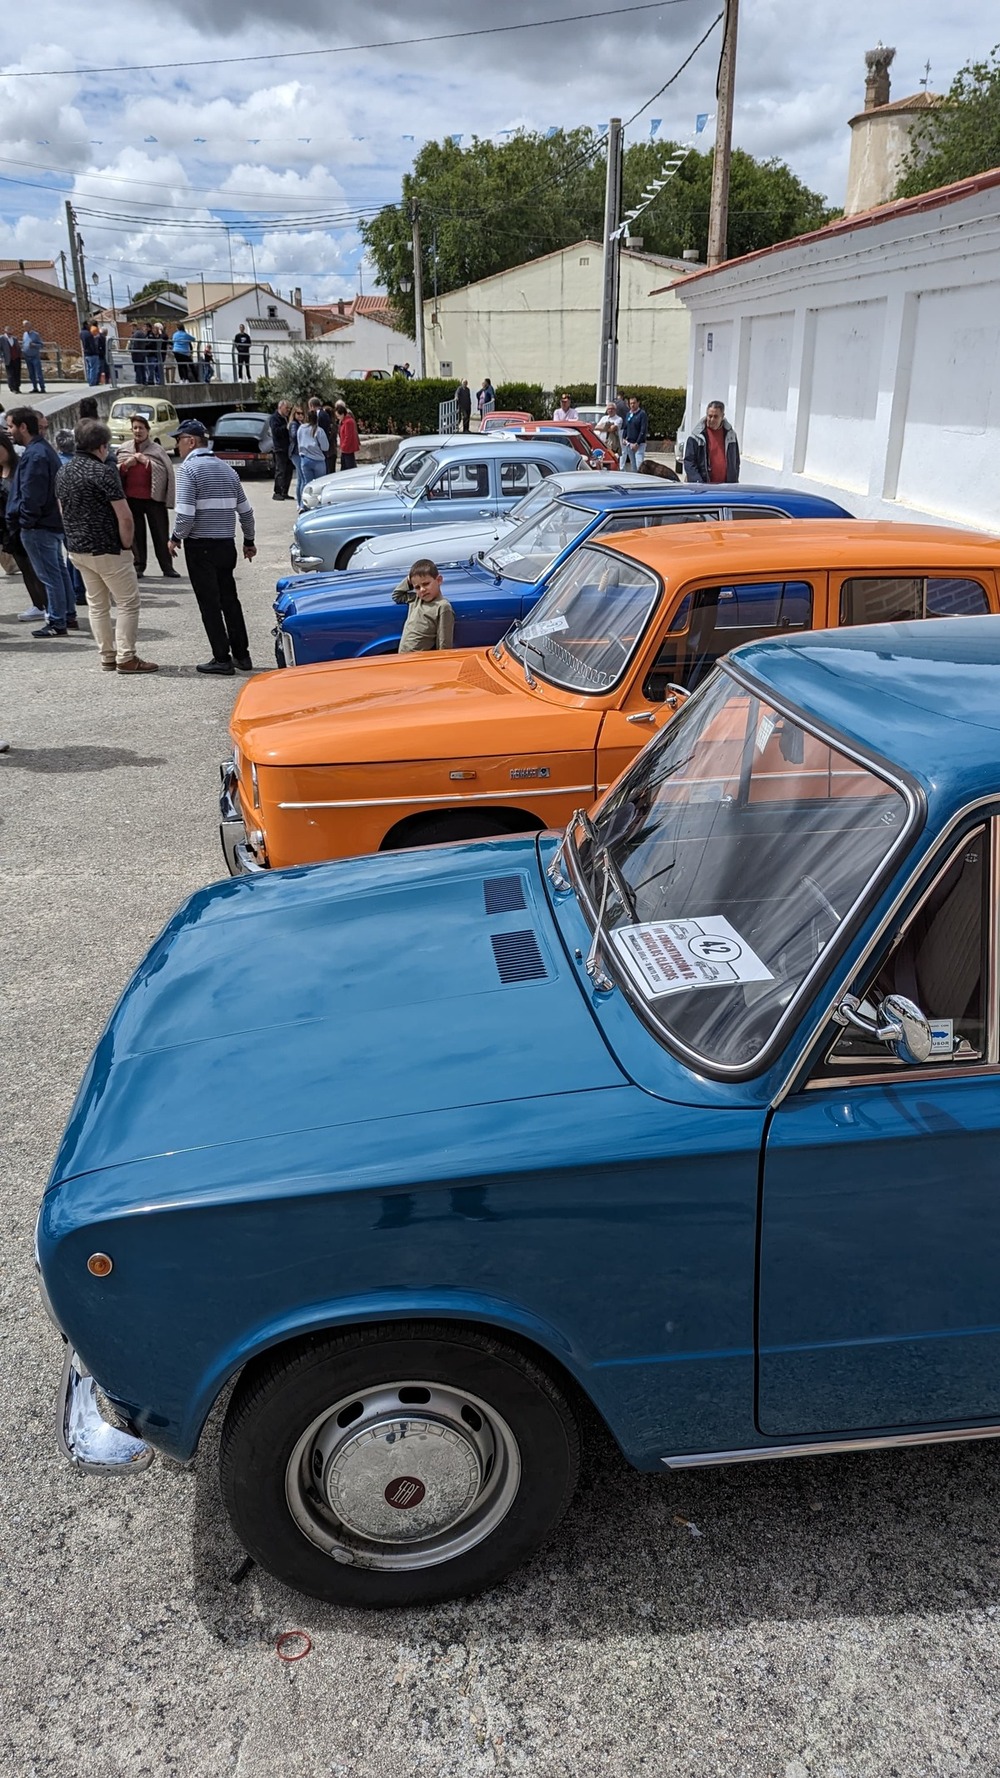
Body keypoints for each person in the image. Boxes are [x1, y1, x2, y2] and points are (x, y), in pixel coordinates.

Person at [56, 419, 158, 674]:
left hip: (78, 548)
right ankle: (126, 657)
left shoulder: (63, 471)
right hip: (107, 548)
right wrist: (126, 545)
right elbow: (124, 515)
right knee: (127, 603)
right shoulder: (103, 472)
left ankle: (107, 655)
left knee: (97, 604)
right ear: (102, 447)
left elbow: (62, 510)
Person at [168, 417, 256, 675]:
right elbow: (247, 513)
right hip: (226, 545)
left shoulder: (188, 470)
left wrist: (175, 538)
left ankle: (221, 658)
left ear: (191, 441)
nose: (177, 447)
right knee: (230, 601)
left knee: (209, 605)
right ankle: (242, 655)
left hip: (201, 547)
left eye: (179, 441)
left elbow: (185, 515)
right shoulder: (227, 470)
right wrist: (248, 541)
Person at [5, 406, 80, 636]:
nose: (9, 432)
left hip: (39, 526)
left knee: (49, 575)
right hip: (48, 523)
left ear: (23, 427)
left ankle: (57, 621)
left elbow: (31, 494)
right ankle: (67, 615)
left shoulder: (36, 455)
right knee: (58, 571)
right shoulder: (41, 450)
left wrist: (25, 521)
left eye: (11, 426)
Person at [117, 414, 179, 580]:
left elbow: (167, 472)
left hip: (154, 500)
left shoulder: (157, 450)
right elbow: (113, 472)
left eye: (141, 428)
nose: (138, 431)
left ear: (148, 431)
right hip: (131, 498)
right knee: (136, 535)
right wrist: (125, 465)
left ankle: (167, 567)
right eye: (135, 428)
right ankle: (138, 566)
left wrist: (147, 462)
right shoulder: (124, 448)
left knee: (160, 534)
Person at [0, 429, 48, 621]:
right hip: (6, 527)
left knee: (37, 567)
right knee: (25, 568)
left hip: (24, 523)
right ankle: (37, 604)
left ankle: (48, 605)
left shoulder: (19, 467)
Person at [392, 558, 455, 653]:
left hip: (419, 660)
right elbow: (396, 595)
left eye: (426, 584)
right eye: (417, 587)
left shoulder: (442, 606)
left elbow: (444, 644)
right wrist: (410, 578)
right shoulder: (416, 599)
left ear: (439, 580)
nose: (422, 590)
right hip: (402, 657)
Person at [684, 400, 741, 484]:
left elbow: (736, 461)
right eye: (709, 416)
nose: (712, 419)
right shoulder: (696, 437)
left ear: (722, 416)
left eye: (715, 416)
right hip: (703, 488)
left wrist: (734, 479)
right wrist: (698, 483)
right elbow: (689, 462)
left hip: (727, 487)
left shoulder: (731, 435)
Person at [295, 410, 328, 505]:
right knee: (320, 484)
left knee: (306, 484)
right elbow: (325, 447)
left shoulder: (301, 428)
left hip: (305, 459)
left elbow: (299, 442)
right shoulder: (318, 430)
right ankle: (318, 504)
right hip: (318, 460)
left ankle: (303, 505)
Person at [269, 400, 293, 500]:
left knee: (289, 471)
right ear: (280, 407)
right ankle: (277, 492)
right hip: (280, 448)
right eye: (286, 408)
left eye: (289, 408)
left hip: (288, 448)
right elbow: (276, 431)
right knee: (280, 471)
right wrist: (286, 427)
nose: (288, 410)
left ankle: (285, 491)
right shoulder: (274, 418)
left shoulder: (286, 418)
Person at [620, 395, 648, 471]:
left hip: (639, 444)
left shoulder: (642, 414)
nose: (632, 405)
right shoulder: (628, 414)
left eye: (634, 403)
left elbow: (643, 429)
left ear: (638, 403)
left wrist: (637, 443)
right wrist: (623, 438)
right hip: (629, 443)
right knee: (633, 465)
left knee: (639, 464)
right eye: (631, 403)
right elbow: (625, 427)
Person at [334, 399, 359, 471]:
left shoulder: (348, 422)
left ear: (342, 414)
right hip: (345, 449)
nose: (338, 418)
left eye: (338, 416)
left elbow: (348, 436)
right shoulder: (344, 421)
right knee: (345, 465)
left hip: (348, 449)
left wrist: (343, 446)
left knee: (349, 466)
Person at [21, 322, 45, 393]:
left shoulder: (36, 334)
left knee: (38, 373)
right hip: (27, 357)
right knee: (31, 374)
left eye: (26, 326)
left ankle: (42, 387)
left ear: (30, 326)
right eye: (24, 326)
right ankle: (35, 387)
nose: (25, 327)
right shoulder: (24, 334)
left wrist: (34, 345)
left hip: (35, 357)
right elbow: (24, 343)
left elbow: (41, 345)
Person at [1, 327, 22, 393]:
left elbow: (18, 347)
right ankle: (12, 388)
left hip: (16, 358)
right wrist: (1, 357)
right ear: (5, 330)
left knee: (17, 373)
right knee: (10, 374)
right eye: (8, 330)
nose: (10, 331)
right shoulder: (2, 338)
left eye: (11, 330)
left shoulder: (14, 338)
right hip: (8, 358)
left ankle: (17, 387)